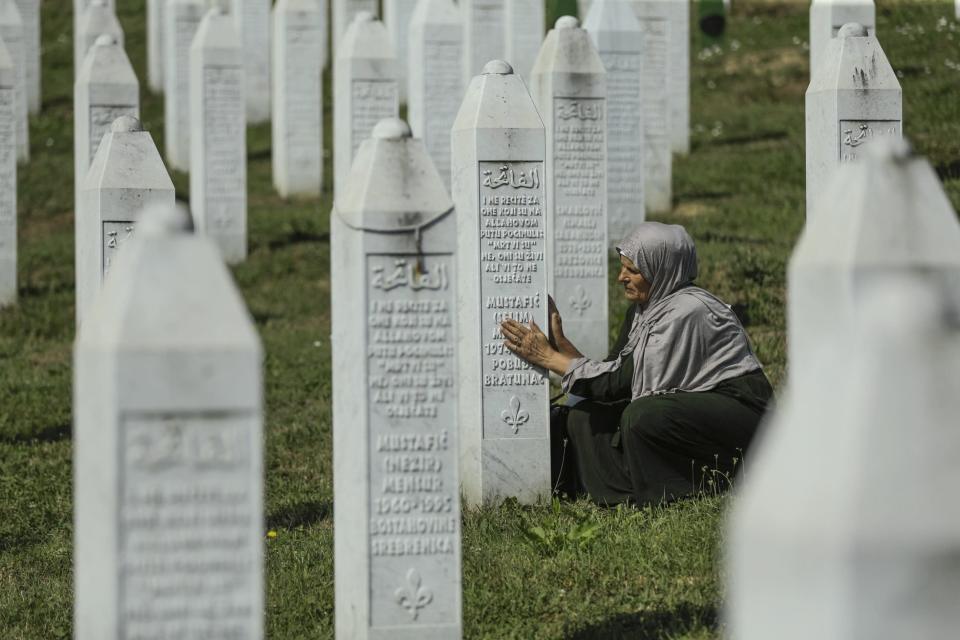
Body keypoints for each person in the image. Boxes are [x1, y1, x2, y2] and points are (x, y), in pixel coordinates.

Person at [500, 222, 772, 506]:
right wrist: (561, 344)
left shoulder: (688, 312)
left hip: (740, 414)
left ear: (661, 269)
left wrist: (549, 358)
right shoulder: (645, 311)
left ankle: (703, 483)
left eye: (633, 270)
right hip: (690, 405)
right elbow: (611, 375)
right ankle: (621, 494)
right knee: (584, 413)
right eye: (622, 267)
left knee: (643, 415)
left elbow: (620, 382)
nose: (621, 277)